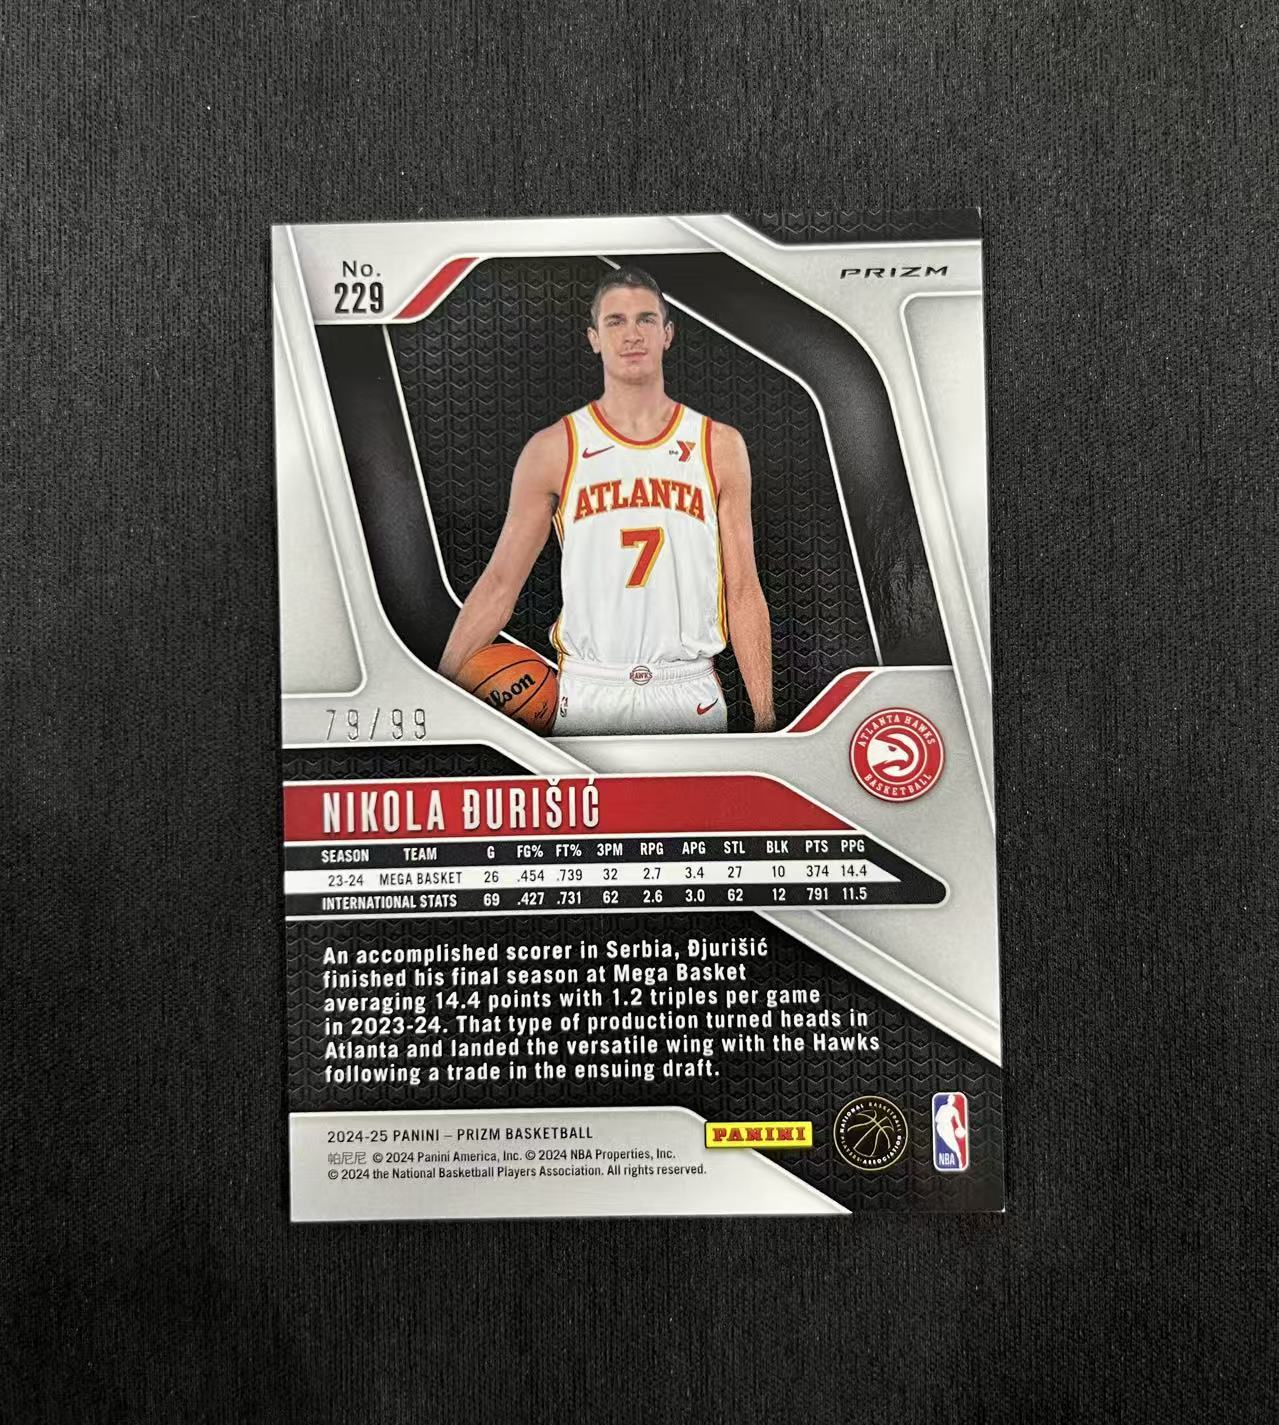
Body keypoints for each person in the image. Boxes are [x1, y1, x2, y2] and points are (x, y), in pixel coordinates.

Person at [439, 266, 774, 735]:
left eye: (646, 319)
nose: (632, 334)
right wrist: (438, 689)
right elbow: (499, 585)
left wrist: (765, 717)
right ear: (594, 338)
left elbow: (743, 589)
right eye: (615, 321)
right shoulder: (554, 448)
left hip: (687, 688)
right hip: (590, 688)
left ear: (668, 334)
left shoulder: (718, 445)